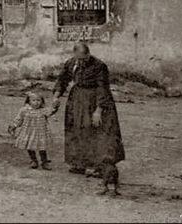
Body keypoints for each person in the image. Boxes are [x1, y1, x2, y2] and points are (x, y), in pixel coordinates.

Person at [53, 41, 125, 177]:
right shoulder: (70, 63)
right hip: (77, 100)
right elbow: (62, 79)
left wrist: (98, 111)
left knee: (97, 131)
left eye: (84, 58)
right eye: (79, 59)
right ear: (74, 55)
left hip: (96, 99)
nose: (81, 62)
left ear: (88, 54)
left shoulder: (99, 66)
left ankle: (100, 166)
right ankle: (78, 163)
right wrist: (56, 96)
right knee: (77, 130)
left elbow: (102, 87)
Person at [7, 90, 57, 170]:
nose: (36, 102)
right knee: (29, 146)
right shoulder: (24, 110)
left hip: (41, 132)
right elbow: (19, 119)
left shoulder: (43, 110)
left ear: (42, 101)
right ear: (29, 101)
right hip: (28, 132)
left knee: (42, 147)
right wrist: (13, 126)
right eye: (33, 100)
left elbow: (51, 112)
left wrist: (55, 106)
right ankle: (33, 160)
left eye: (38, 100)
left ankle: (44, 162)